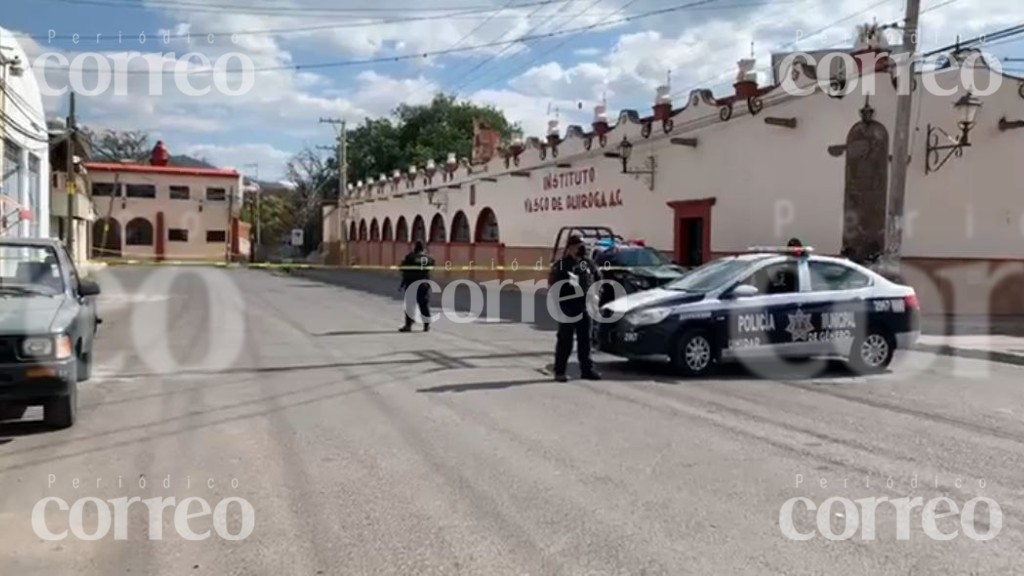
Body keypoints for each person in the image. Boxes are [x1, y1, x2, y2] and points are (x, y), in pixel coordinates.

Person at [549, 235, 602, 382]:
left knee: (586, 340)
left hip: (585, 306)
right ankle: (560, 371)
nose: (581, 248)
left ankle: (587, 370)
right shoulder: (561, 265)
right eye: (578, 245)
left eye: (582, 245)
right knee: (565, 340)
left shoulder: (588, 263)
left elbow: (598, 279)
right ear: (570, 247)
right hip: (568, 306)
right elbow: (554, 286)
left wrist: (597, 296)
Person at [399, 240, 435, 332]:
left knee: (410, 305)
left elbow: (402, 267)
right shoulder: (428, 257)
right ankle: (426, 325)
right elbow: (433, 265)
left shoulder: (410, 257)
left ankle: (408, 325)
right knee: (424, 304)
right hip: (424, 283)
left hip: (411, 283)